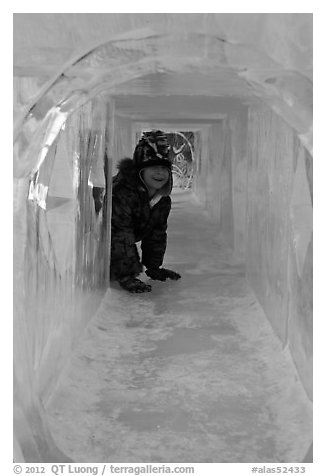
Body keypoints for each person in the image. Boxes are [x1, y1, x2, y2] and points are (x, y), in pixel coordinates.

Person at [110, 130, 181, 293]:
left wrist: (154, 266)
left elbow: (156, 234)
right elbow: (120, 235)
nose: (160, 173)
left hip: (120, 244)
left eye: (164, 168)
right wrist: (126, 276)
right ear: (140, 171)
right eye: (153, 168)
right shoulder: (122, 193)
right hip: (101, 244)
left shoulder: (161, 200)